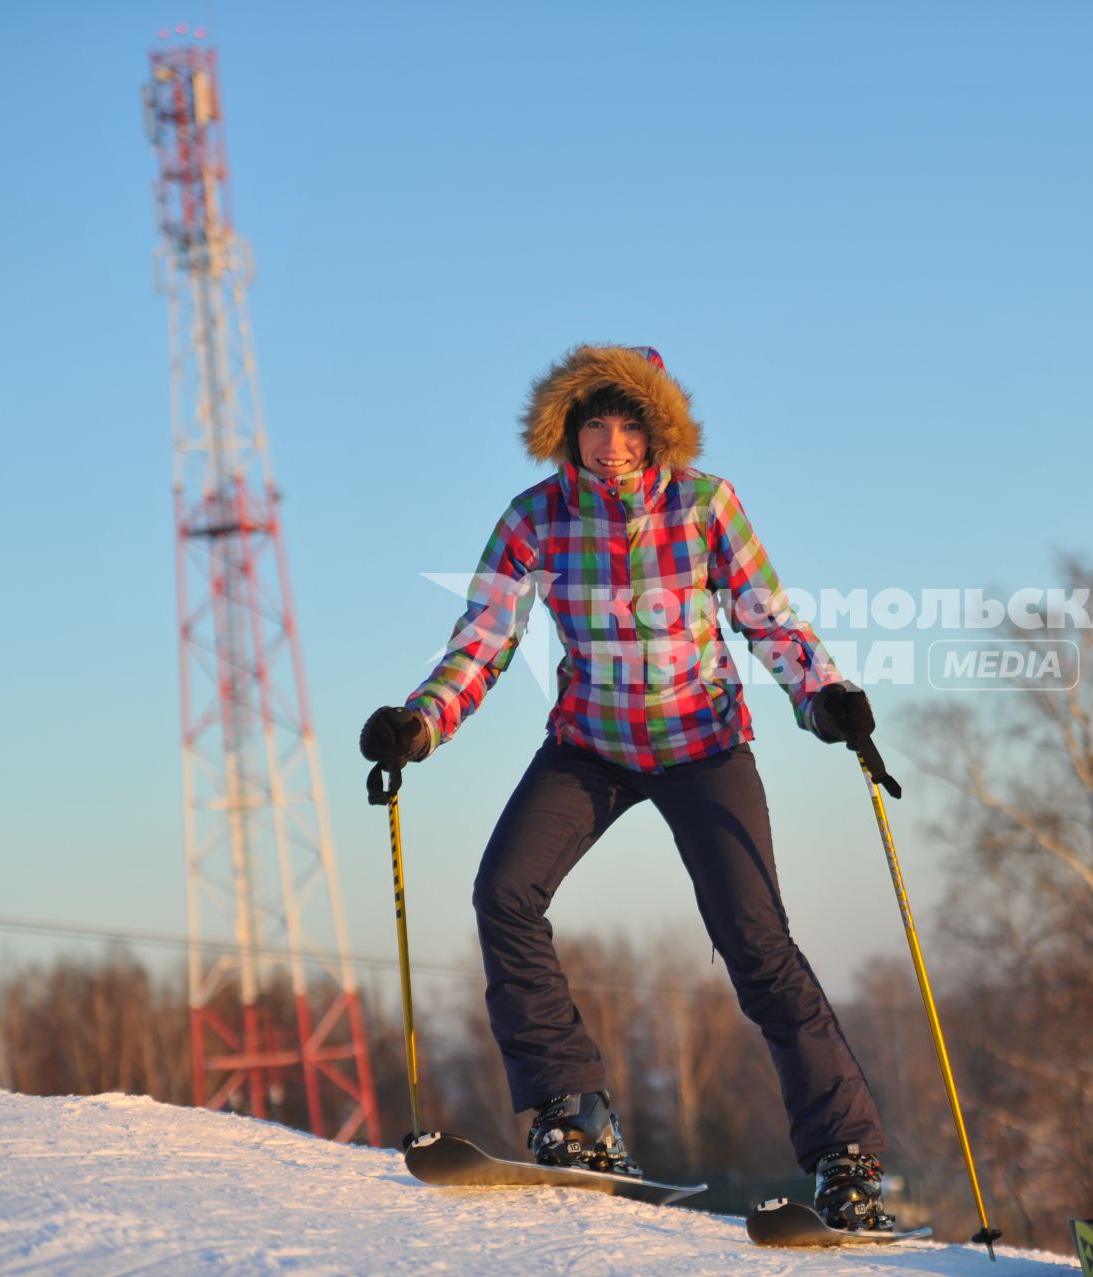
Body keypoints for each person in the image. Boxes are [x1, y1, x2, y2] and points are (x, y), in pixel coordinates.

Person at [359, 343, 897, 1231]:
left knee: (755, 940)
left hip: (703, 744)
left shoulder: (704, 503)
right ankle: (575, 1114)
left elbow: (768, 616)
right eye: (594, 426)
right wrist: (420, 723)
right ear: (568, 432)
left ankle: (848, 1160)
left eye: (629, 426)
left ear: (657, 431)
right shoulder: (536, 516)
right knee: (505, 892)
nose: (611, 444)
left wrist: (825, 699)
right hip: (592, 745)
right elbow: (484, 637)